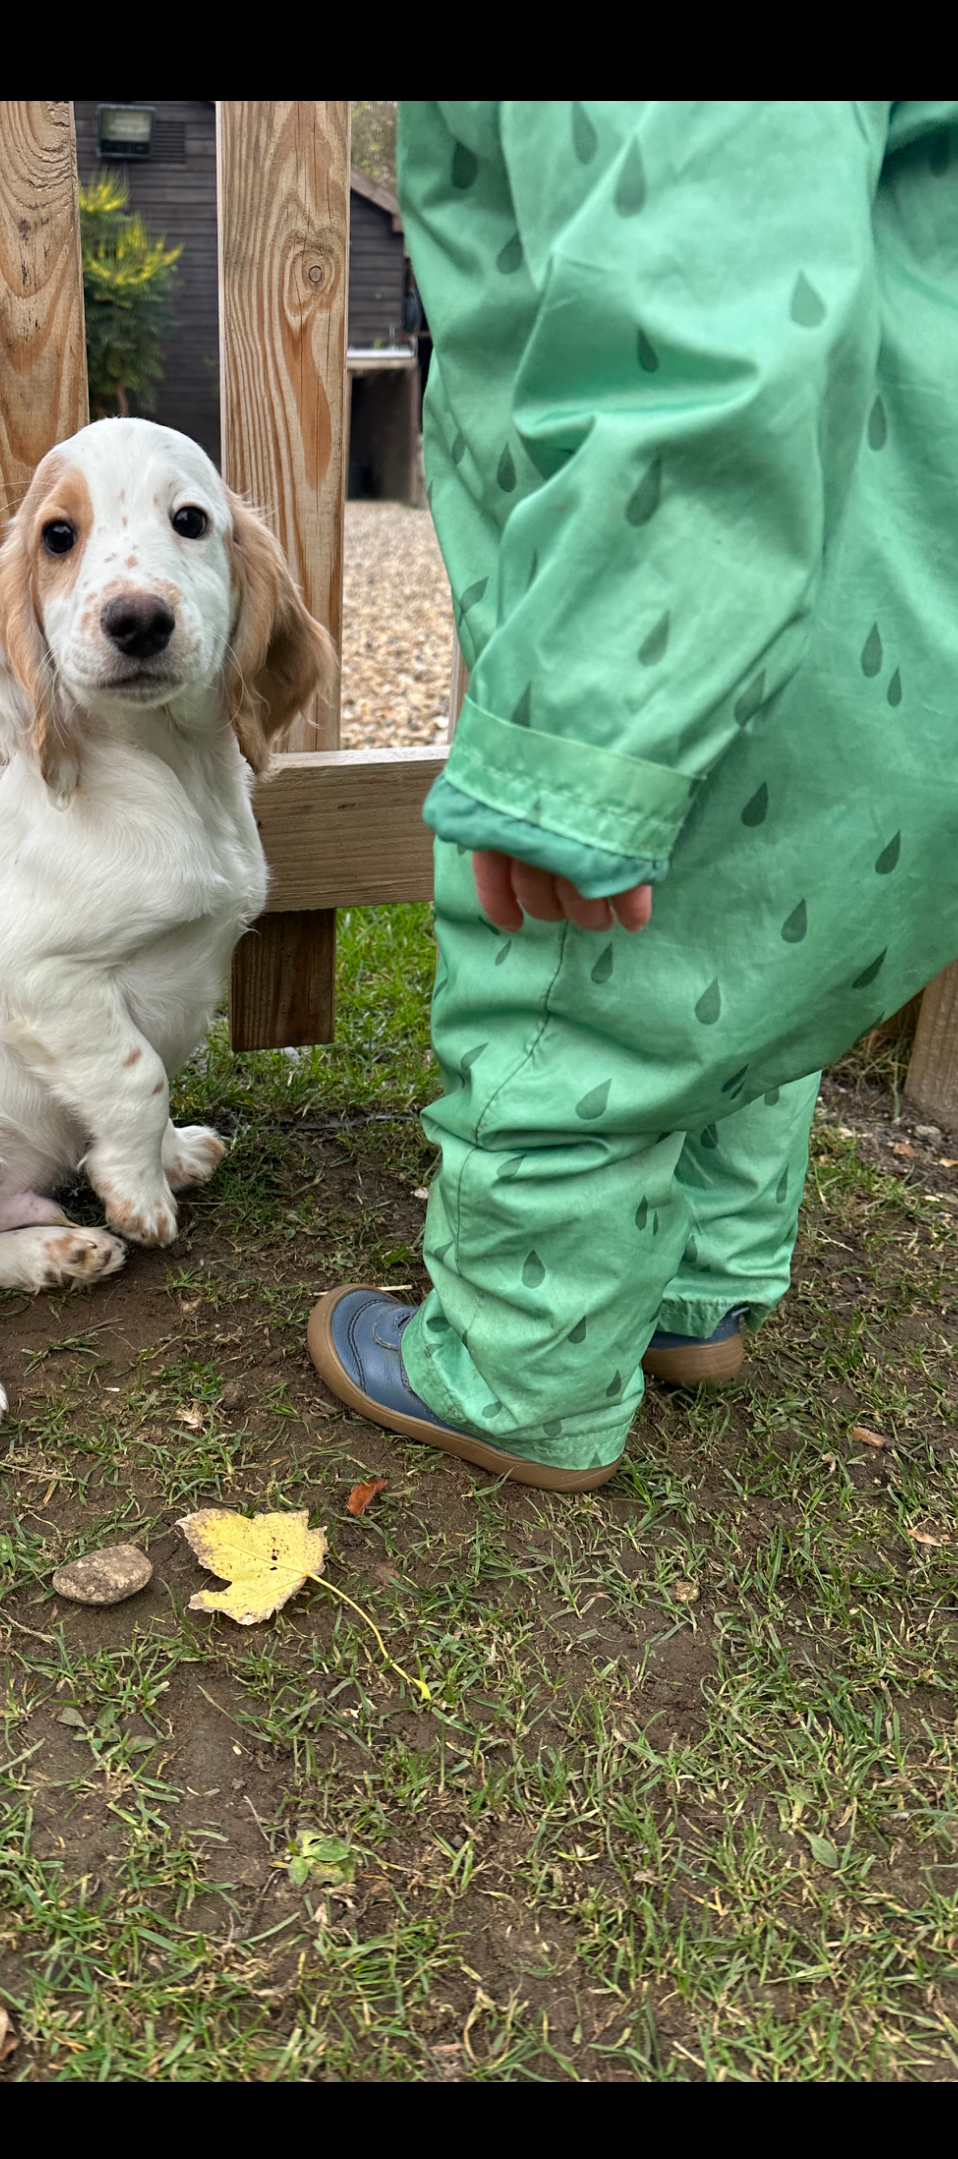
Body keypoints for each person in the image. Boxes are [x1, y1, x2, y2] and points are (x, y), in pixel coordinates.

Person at [309, 100, 958, 1488]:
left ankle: (516, 1370)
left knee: (567, 974)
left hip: (728, 607)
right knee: (750, 946)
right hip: (911, 587)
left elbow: (706, 302)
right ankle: (696, 1294)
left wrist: (580, 729)